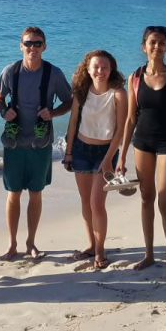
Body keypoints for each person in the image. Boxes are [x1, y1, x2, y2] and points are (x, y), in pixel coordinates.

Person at [0, 26, 72, 261]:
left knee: (36, 193)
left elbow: (69, 101)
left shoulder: (54, 73)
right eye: (28, 43)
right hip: (14, 143)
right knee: (13, 194)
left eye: (38, 43)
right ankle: (12, 244)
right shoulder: (10, 71)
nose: (33, 48)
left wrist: (54, 113)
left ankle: (31, 243)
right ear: (21, 46)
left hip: (41, 142)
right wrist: (3, 111)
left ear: (45, 46)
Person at [118, 26, 166, 273]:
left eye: (161, 43)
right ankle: (149, 254)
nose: (156, 47)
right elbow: (130, 119)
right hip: (143, 143)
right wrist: (121, 156)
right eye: (152, 42)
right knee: (146, 198)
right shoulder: (135, 77)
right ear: (144, 46)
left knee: (164, 200)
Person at [63, 50, 128, 270]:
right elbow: (73, 123)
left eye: (105, 67)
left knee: (97, 204)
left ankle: (100, 250)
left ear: (111, 69)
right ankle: (91, 245)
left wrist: (109, 158)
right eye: (96, 67)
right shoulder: (81, 91)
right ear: (87, 69)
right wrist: (69, 152)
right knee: (85, 202)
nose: (100, 71)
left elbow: (121, 129)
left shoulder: (118, 93)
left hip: (105, 152)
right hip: (80, 150)